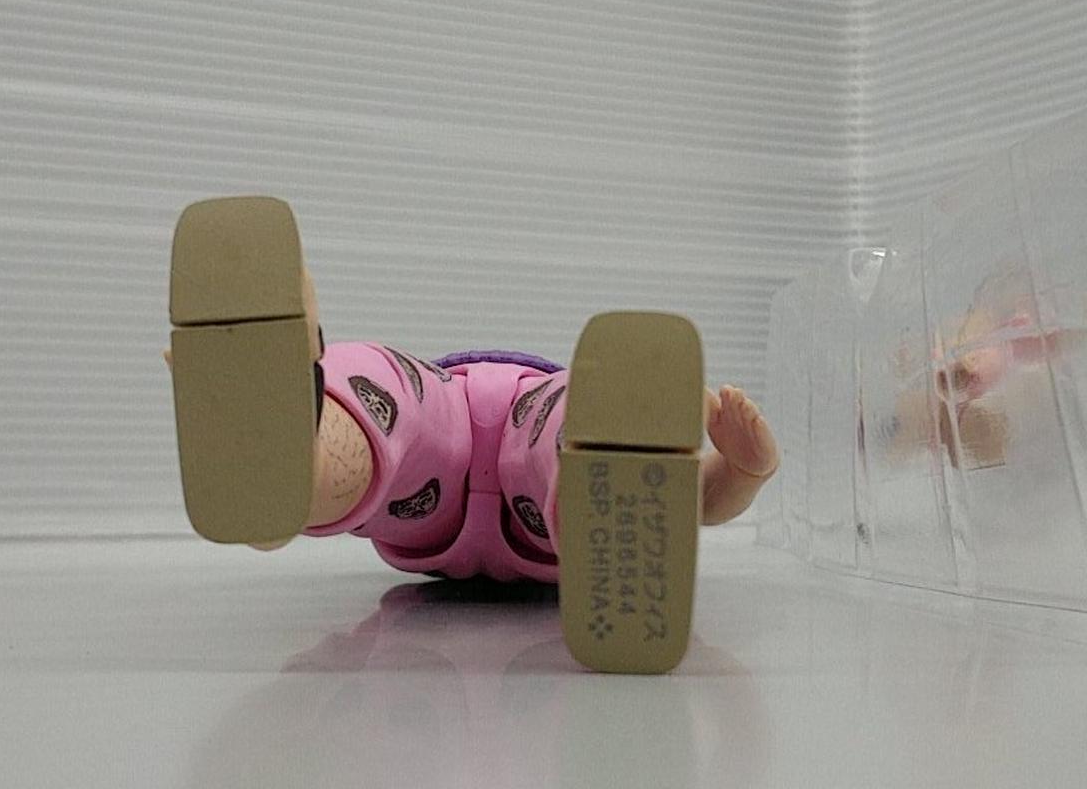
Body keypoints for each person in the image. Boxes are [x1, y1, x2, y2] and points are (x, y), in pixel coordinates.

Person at [166, 197, 779, 671]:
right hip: (526, 479)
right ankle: (300, 463)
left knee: (392, 391)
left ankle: (309, 471)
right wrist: (741, 473)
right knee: (546, 425)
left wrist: (743, 472)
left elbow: (680, 503)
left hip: (439, 504)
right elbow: (698, 502)